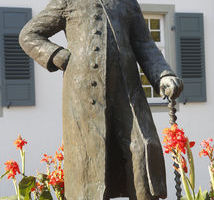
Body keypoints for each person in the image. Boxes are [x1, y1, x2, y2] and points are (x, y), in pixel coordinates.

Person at [19, 0, 183, 199]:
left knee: (142, 150)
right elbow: (29, 34)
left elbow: (144, 43)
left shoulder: (127, 2)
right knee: (89, 164)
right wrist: (59, 56)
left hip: (127, 91)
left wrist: (163, 75)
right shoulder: (68, 1)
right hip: (83, 96)